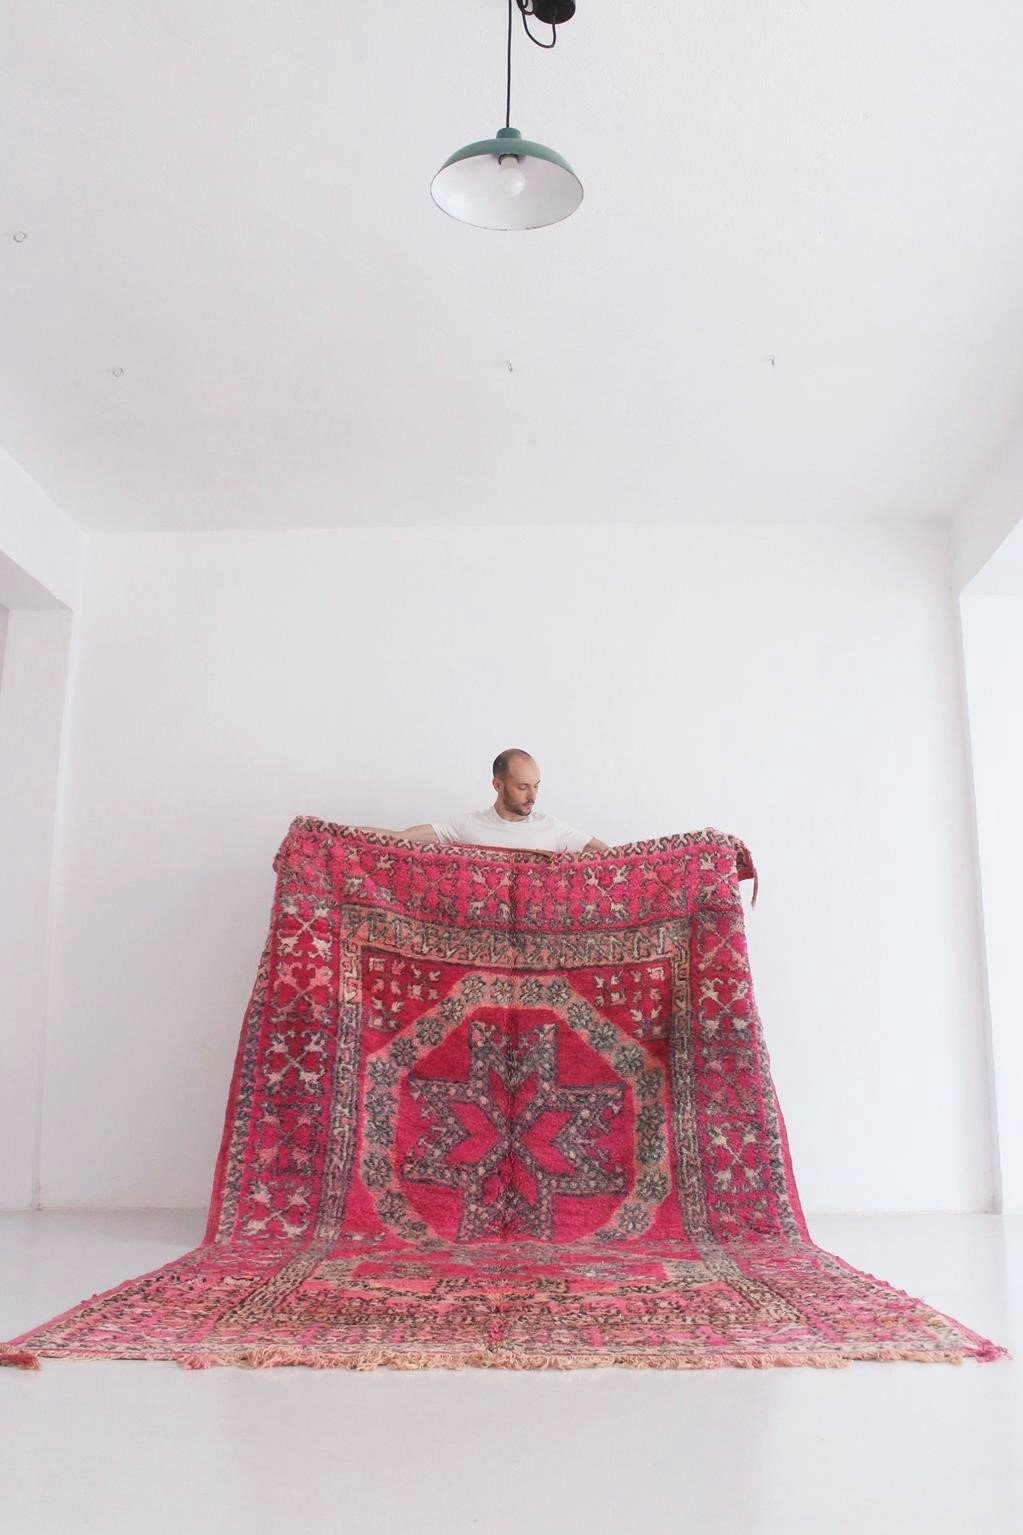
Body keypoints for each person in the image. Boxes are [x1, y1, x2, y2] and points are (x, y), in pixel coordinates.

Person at [363, 749, 608, 852]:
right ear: (498, 786)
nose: (532, 797)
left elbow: (616, 858)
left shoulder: (552, 827)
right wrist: (332, 833)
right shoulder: (468, 825)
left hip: (535, 949)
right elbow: (398, 837)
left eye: (536, 786)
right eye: (523, 787)